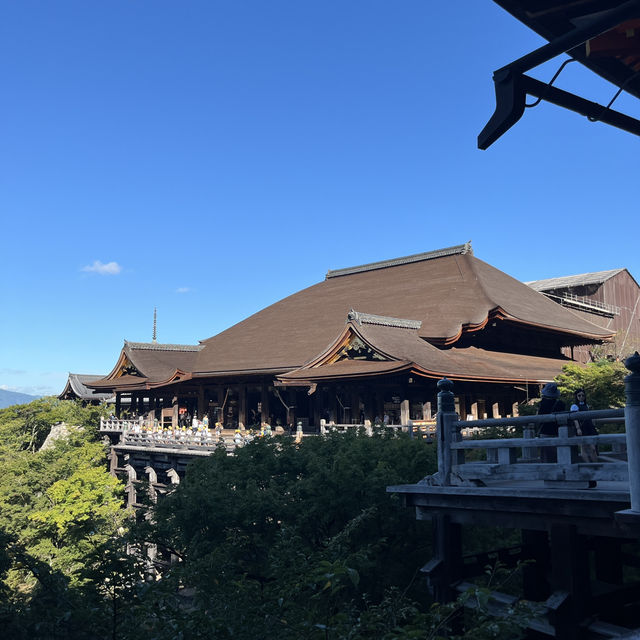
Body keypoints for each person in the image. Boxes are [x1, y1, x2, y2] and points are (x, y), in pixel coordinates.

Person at [571, 388, 599, 469]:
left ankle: (595, 465)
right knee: (584, 448)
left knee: (593, 448)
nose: (581, 397)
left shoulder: (586, 405)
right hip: (582, 428)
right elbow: (575, 419)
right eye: (579, 395)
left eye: (583, 395)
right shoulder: (574, 406)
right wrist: (578, 428)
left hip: (589, 427)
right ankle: (589, 465)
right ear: (576, 396)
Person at [537, 382, 565, 463]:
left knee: (546, 456)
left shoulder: (542, 404)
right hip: (559, 432)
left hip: (545, 431)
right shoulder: (561, 404)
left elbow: (538, 418)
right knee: (558, 456)